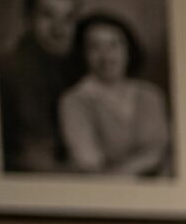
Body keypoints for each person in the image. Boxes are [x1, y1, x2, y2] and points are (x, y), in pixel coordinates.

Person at [57, 11, 170, 177]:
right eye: (95, 47)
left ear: (128, 49)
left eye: (114, 44)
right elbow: (89, 163)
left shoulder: (151, 95)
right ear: (82, 53)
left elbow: (158, 152)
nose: (106, 56)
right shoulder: (74, 101)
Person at [0, 0, 81, 173]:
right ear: (28, 19)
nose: (59, 29)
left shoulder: (74, 67)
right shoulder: (12, 70)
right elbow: (34, 159)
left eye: (68, 18)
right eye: (48, 15)